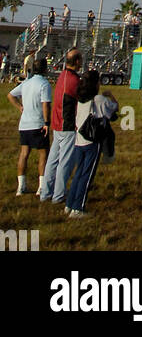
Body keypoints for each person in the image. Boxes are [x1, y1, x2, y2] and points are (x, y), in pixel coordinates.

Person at [64, 70, 118, 217]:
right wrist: (110, 95)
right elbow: (114, 109)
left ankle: (69, 204)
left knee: (78, 173)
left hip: (79, 141)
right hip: (92, 141)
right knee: (87, 176)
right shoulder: (99, 99)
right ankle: (78, 208)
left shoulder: (81, 98)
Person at [40, 47, 82, 205]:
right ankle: (58, 195)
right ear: (77, 61)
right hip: (67, 125)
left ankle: (46, 192)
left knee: (52, 160)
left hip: (57, 123)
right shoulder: (74, 80)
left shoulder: (63, 76)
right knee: (65, 162)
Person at [8, 56, 51, 196]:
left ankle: (21, 186)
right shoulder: (44, 84)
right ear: (45, 69)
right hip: (38, 123)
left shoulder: (26, 83)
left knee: (24, 154)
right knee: (43, 154)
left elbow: (10, 95)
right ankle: (41, 187)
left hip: (24, 124)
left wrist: (20, 107)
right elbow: (45, 104)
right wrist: (47, 122)